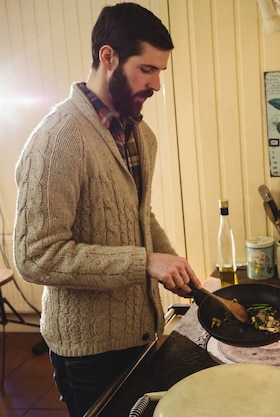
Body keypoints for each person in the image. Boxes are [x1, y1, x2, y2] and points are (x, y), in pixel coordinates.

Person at [13, 3, 203, 416]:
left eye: (160, 73)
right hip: (88, 353)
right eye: (146, 69)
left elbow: (140, 215)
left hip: (143, 333)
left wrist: (175, 264)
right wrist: (145, 263)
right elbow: (35, 256)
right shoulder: (57, 140)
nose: (155, 84)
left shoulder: (140, 134)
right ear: (108, 56)